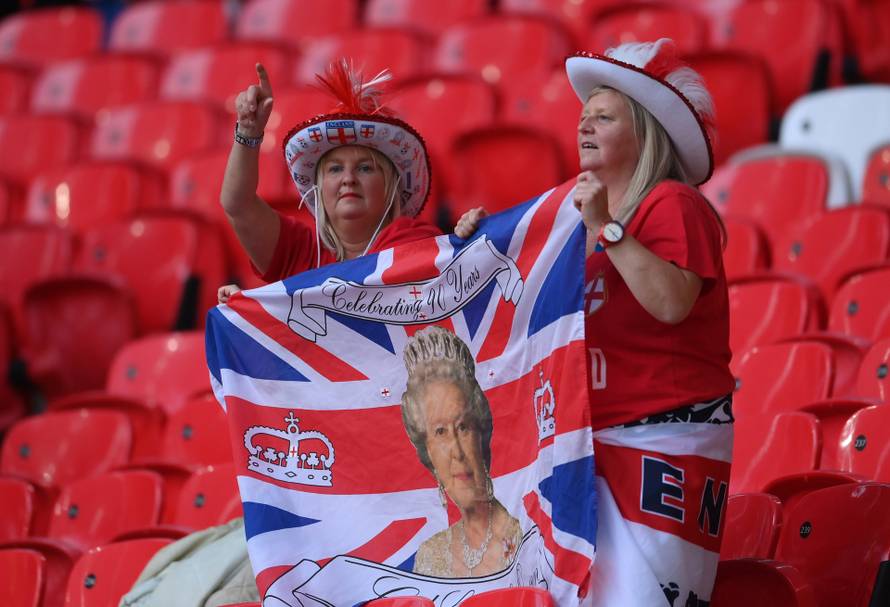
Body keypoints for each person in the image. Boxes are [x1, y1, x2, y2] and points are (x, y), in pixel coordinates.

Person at [455, 39, 734, 606]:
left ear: (647, 131)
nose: (584, 126)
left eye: (604, 117)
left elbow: (671, 302)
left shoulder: (672, 204)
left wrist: (608, 228)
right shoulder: (577, 224)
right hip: (585, 443)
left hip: (663, 442)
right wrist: (484, 250)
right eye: (582, 118)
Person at [218, 59, 441, 303]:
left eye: (365, 168)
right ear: (319, 188)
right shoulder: (300, 250)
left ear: (391, 187)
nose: (348, 179)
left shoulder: (416, 243)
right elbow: (237, 205)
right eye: (335, 169)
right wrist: (248, 131)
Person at [400, 326, 523, 578]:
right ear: (428, 454)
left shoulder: (525, 536)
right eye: (440, 432)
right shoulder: (429, 556)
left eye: (463, 427)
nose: (456, 451)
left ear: (481, 434)